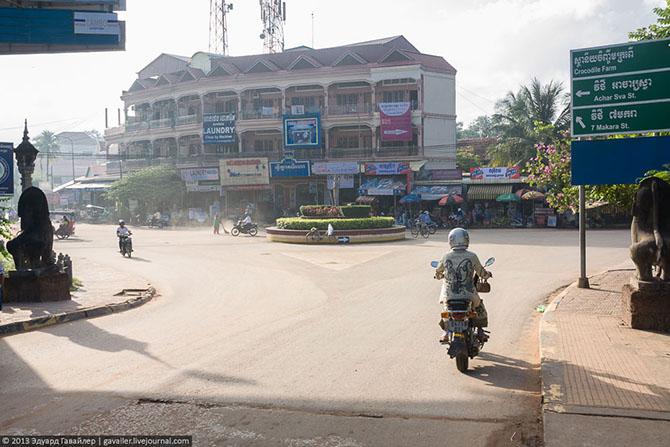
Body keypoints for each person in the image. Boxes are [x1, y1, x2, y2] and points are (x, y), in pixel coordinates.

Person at [435, 228, 492, 343]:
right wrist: (486, 275)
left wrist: (440, 276)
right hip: (469, 294)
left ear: (451, 240)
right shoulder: (472, 256)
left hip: (450, 295)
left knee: (446, 310)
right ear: (466, 239)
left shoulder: (446, 256)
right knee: (480, 308)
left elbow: (438, 273)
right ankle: (480, 331)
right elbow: (481, 272)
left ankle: (446, 333)